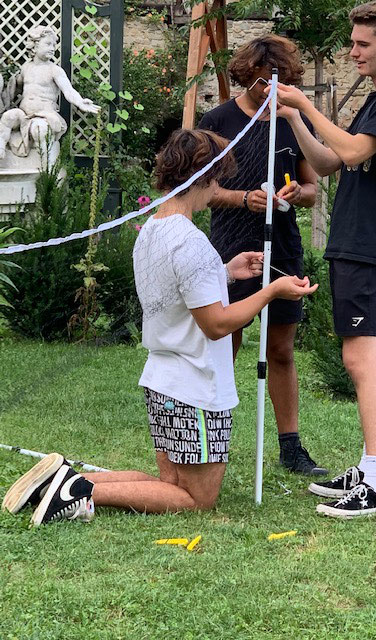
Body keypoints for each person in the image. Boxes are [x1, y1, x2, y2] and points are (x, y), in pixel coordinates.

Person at [2, 129, 318, 526]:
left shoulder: (151, 230)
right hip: (195, 387)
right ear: (202, 177)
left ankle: (65, 480)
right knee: (197, 497)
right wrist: (272, 290)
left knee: (169, 481)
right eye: (217, 177)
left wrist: (225, 272)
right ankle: (80, 491)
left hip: (163, 379)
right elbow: (217, 325)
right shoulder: (192, 243)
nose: (218, 188)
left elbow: (178, 290)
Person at [268, 1, 376, 517]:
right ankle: (370, 468)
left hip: (372, 242)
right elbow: (331, 162)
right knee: (374, 355)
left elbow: (357, 152)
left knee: (359, 357)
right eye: (352, 42)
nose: (352, 51)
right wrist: (295, 116)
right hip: (360, 241)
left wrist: (308, 105)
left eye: (362, 44)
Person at [198, 35, 327, 476]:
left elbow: (312, 188)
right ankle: (213, 438)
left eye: (279, 84)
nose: (270, 92)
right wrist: (243, 198)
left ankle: (291, 447)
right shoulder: (218, 120)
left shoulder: (291, 120)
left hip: (284, 246)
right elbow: (201, 190)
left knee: (282, 349)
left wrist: (296, 193)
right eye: (261, 85)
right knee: (225, 343)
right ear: (245, 77)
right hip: (232, 245)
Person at [0, 26, 100, 164]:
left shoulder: (55, 70)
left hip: (45, 115)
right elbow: (15, 89)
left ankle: (46, 167)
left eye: (54, 44)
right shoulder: (26, 68)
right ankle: (1, 150)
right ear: (34, 46)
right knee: (7, 117)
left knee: (39, 129)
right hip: (24, 114)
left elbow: (68, 91)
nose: (52, 48)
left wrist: (80, 102)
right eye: (48, 44)